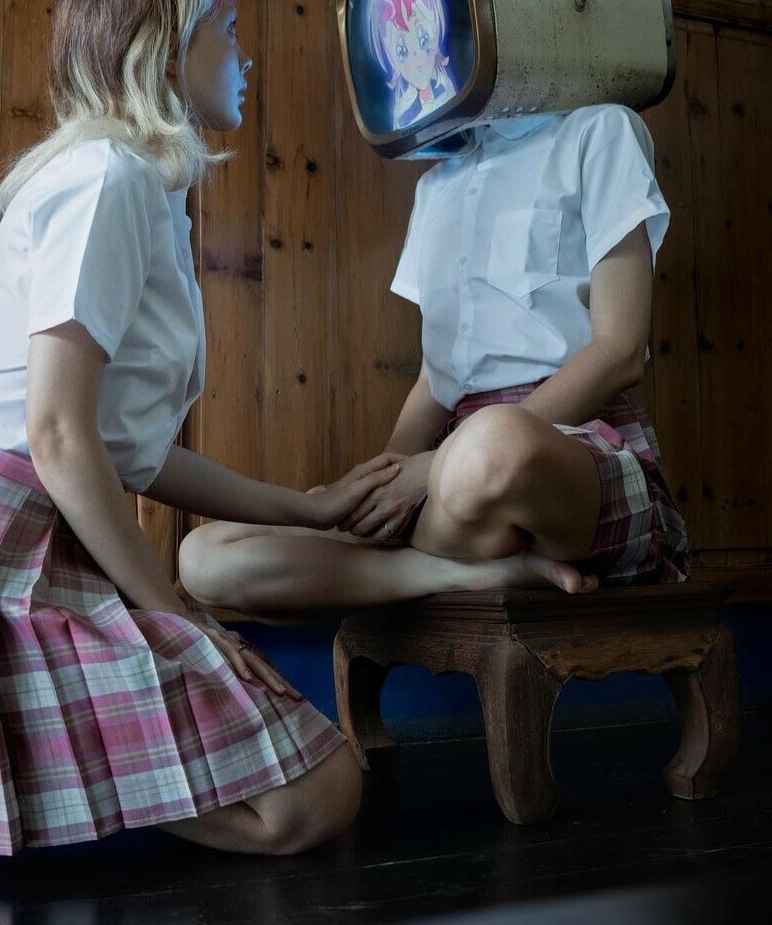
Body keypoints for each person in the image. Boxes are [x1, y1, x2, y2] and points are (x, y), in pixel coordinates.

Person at [0, 0, 594, 881]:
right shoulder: (105, 179)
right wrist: (177, 615)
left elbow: (123, 452)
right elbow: (56, 437)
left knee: (317, 793)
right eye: (229, 30)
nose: (246, 55)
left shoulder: (137, 186)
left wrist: (306, 506)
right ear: (166, 52)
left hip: (3, 534)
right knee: (318, 797)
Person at [179, 104, 688, 618]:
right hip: (451, 476)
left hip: (562, 450)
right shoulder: (436, 184)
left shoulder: (600, 130)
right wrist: (385, 481)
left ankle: (431, 544)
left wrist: (434, 467)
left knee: (491, 447)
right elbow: (435, 379)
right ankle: (468, 572)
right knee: (203, 557)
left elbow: (619, 352)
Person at [368, 0, 457, 130]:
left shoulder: (446, 87)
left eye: (423, 39)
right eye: (402, 51)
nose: (417, 59)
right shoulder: (402, 115)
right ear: (390, 55)